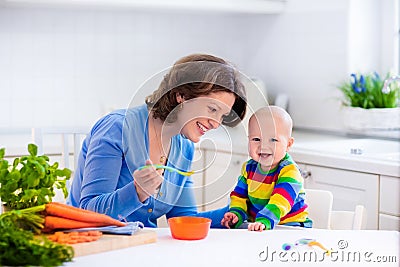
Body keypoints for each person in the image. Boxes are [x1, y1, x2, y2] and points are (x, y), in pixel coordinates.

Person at [67, 53, 247, 228]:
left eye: (222, 116)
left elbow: (185, 218)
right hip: (88, 243)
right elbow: (88, 212)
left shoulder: (184, 148)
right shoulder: (117, 128)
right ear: (181, 96)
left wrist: (242, 210)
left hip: (140, 247)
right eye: (212, 109)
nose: (216, 124)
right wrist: (137, 192)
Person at [221, 106, 312, 231]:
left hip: (290, 227)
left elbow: (280, 202)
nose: (263, 146)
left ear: (288, 144)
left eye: (273, 140)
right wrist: (236, 213)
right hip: (259, 226)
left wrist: (265, 220)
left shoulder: (289, 171)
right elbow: (239, 196)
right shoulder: (248, 168)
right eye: (256, 139)